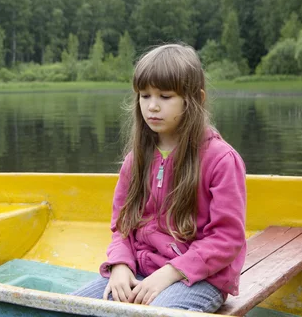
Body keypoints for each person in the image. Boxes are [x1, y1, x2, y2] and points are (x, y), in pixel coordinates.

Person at [72, 44, 247, 313]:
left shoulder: (221, 160)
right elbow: (122, 226)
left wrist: (169, 273)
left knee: (155, 314)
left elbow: (227, 238)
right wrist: (120, 266)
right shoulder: (136, 159)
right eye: (144, 96)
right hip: (140, 271)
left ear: (196, 99)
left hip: (198, 278)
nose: (152, 106)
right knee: (69, 308)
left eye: (165, 96)